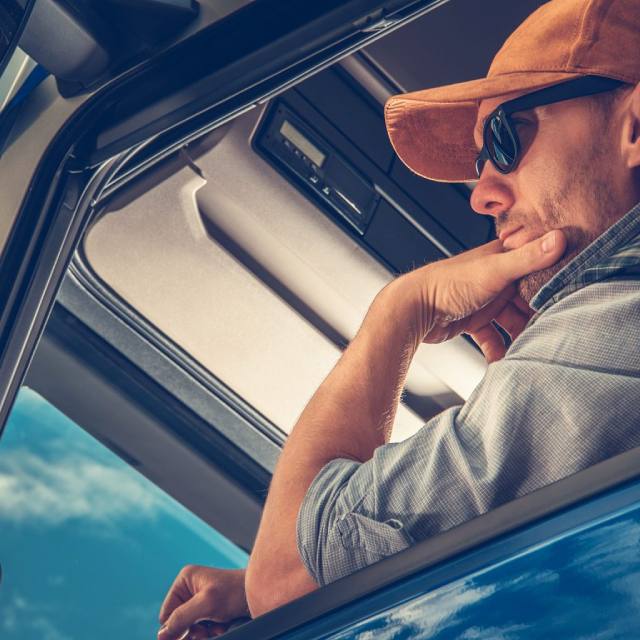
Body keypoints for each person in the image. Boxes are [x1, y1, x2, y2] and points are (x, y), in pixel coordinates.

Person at [157, 0, 640, 637]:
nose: (481, 194)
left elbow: (284, 578)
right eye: (478, 164)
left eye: (505, 138)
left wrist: (401, 310)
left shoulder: (619, 308)